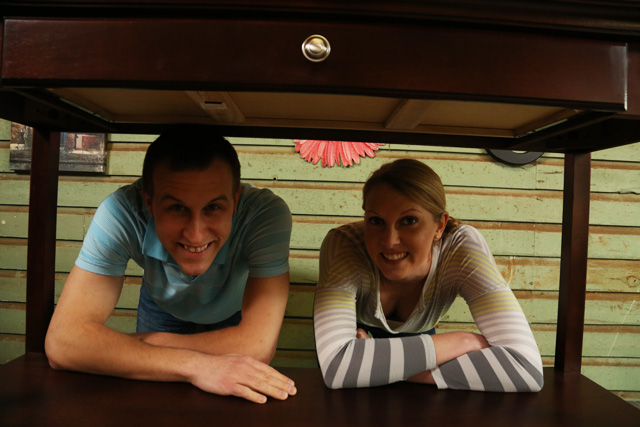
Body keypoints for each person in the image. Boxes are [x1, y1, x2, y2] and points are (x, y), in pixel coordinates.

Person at [45, 126, 297, 404]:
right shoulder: (121, 211)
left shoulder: (265, 213)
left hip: (232, 311)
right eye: (177, 208)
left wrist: (146, 346)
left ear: (235, 202)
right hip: (162, 305)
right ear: (149, 204)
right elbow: (62, 342)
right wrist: (195, 365)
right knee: (154, 404)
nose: (196, 235)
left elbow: (257, 346)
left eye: (213, 207)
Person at [313, 159, 544, 392]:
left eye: (409, 221)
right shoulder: (345, 245)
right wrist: (463, 340)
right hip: (364, 384)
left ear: (440, 226)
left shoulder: (461, 249)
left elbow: (525, 369)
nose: (390, 240)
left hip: (381, 356)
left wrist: (382, 367)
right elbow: (337, 367)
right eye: (376, 221)